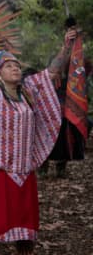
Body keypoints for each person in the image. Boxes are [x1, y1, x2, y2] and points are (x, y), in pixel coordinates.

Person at [0, 27, 77, 255]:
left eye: (17, 66)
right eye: (9, 66)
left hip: (24, 173)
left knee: (26, 234)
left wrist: (66, 47)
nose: (15, 68)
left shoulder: (29, 91)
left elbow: (52, 72)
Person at [40, 18, 88, 178]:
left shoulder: (79, 53)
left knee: (69, 131)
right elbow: (52, 69)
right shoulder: (55, 48)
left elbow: (82, 71)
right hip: (51, 98)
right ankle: (42, 165)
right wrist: (66, 46)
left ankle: (62, 165)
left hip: (68, 100)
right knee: (46, 132)